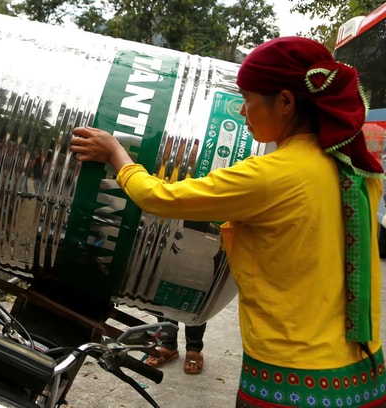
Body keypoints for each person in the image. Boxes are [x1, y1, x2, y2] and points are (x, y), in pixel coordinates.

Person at [69, 36, 386, 407]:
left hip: (291, 382)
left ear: (284, 102)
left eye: (248, 101)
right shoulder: (361, 173)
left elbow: (157, 197)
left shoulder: (271, 176)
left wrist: (116, 153)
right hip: (365, 378)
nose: (241, 113)